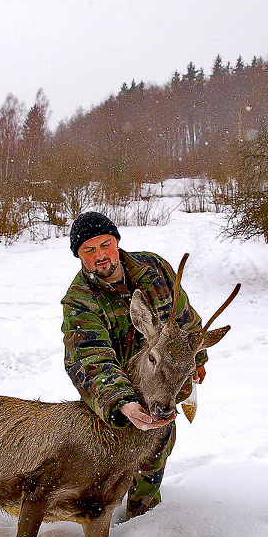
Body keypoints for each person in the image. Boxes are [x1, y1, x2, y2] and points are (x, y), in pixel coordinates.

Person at [61, 211, 209, 519]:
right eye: (89, 250)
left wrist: (196, 359)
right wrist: (122, 402)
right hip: (113, 393)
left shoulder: (154, 269)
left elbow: (182, 317)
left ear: (116, 241)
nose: (101, 255)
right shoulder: (80, 301)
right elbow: (88, 358)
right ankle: (98, 517)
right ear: (79, 255)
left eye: (106, 244)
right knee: (110, 457)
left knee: (159, 444)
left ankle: (142, 516)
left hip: (162, 385)